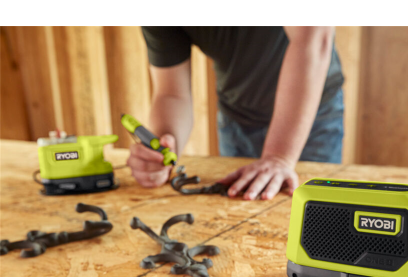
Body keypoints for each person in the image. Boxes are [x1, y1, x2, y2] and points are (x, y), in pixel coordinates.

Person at [127, 26, 344, 200]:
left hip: (309, 120)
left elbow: (314, 38)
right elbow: (172, 94)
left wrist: (279, 157)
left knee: (314, 222)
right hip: (237, 119)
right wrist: (163, 150)